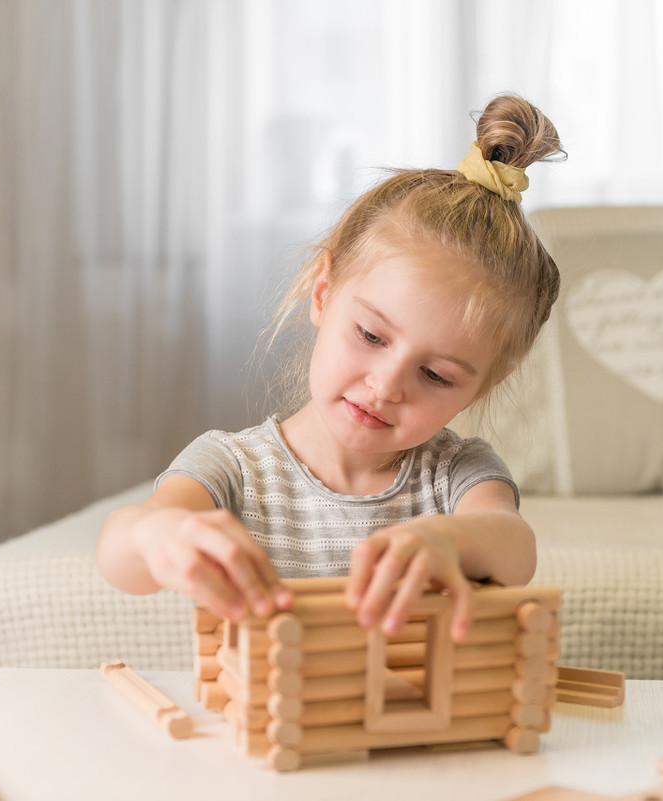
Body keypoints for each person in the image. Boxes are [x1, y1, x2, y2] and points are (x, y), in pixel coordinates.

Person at [96, 93, 564, 642]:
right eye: (370, 335)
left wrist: (449, 541)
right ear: (322, 293)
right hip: (271, 721)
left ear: (487, 382)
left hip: (406, 723)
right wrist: (159, 537)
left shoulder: (456, 476)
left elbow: (513, 546)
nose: (386, 385)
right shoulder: (233, 468)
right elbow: (119, 552)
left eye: (435, 375)